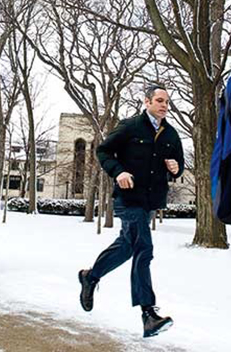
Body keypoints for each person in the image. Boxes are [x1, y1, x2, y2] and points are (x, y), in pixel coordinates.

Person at [77, 84, 185, 338]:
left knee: (128, 246)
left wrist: (175, 167)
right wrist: (119, 171)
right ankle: (148, 314)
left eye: (167, 102)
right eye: (159, 100)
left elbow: (179, 166)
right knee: (143, 248)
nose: (164, 106)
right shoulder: (130, 126)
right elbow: (102, 150)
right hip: (128, 198)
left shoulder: (171, 134)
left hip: (150, 201)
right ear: (147, 102)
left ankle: (90, 277)